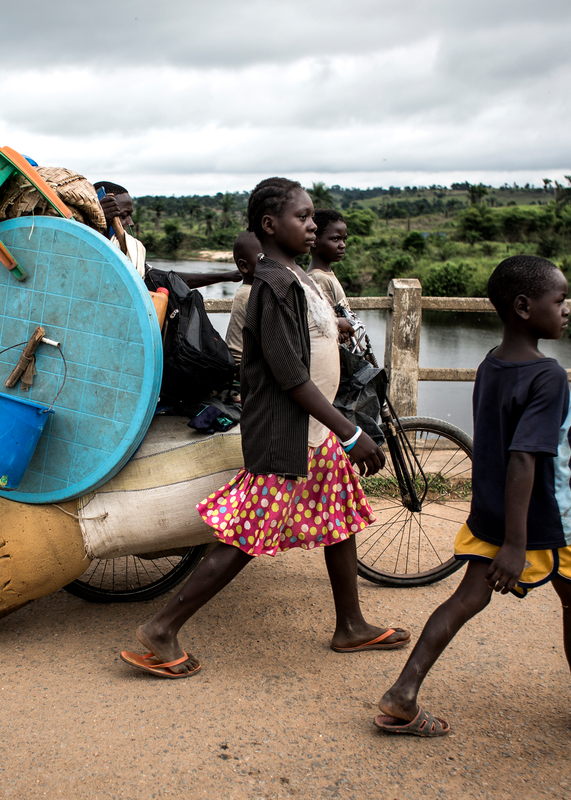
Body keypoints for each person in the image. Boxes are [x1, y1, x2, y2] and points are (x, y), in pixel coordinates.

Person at [118, 177, 410, 679]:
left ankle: (351, 624)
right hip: (287, 432)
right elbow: (289, 374)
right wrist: (350, 431)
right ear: (271, 225)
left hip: (312, 435)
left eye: (313, 215)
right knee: (245, 535)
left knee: (338, 522)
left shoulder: (300, 279)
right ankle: (160, 632)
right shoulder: (273, 286)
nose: (313, 224)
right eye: (303, 217)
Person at [374, 255, 571, 738]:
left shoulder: (492, 364)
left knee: (464, 600)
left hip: (493, 512)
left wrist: (503, 534)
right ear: (524, 306)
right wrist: (517, 546)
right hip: (545, 523)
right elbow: (525, 459)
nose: (568, 310)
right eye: (560, 301)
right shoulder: (549, 377)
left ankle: (402, 694)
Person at [94, 180, 241, 289]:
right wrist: (98, 218)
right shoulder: (84, 249)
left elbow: (167, 279)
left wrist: (225, 276)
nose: (131, 222)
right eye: (124, 215)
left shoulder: (129, 257)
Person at [223, 230, 260, 366]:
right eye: (263, 259)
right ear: (244, 266)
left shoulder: (245, 291)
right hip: (243, 368)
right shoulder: (252, 294)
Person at [306, 209, 349, 310]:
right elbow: (328, 323)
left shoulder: (326, 274)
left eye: (344, 239)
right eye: (335, 239)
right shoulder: (318, 279)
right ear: (314, 241)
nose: (342, 245)